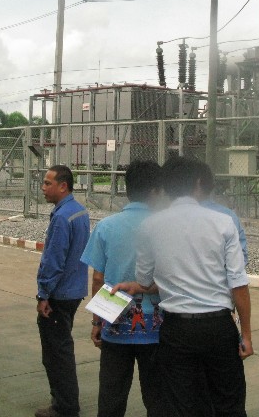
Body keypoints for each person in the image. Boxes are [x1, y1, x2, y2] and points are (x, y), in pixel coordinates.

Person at [115, 156, 253, 417]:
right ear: (199, 183)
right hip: (218, 326)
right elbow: (238, 284)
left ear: (166, 185)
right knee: (229, 403)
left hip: (176, 330)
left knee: (183, 404)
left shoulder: (151, 225)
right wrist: (245, 334)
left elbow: (145, 280)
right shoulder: (223, 222)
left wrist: (140, 286)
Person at [80, 160, 164, 417]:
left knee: (112, 397)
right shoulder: (164, 227)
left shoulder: (107, 226)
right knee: (158, 398)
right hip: (157, 328)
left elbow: (98, 279)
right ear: (155, 191)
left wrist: (97, 322)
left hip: (115, 322)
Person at [35, 165, 90, 417]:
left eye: (48, 183)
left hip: (59, 294)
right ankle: (65, 402)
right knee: (62, 349)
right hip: (74, 290)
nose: (43, 188)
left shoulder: (61, 218)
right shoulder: (79, 212)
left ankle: (65, 406)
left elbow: (53, 260)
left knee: (56, 354)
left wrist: (43, 294)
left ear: (63, 186)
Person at [198, 162, 248, 264]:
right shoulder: (229, 216)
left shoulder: (172, 217)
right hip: (221, 272)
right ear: (212, 186)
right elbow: (240, 258)